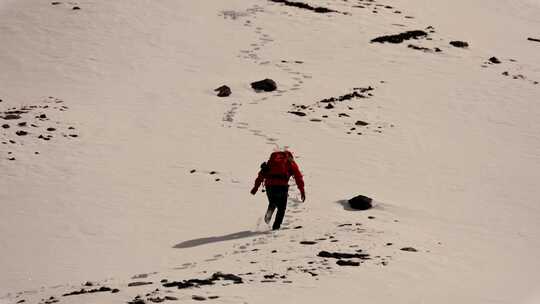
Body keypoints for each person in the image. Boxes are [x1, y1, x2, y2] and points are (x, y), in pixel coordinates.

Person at [250, 150, 306, 230]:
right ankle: (276, 227)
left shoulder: (271, 162)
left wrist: (255, 188)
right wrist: (302, 190)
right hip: (282, 186)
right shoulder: (290, 163)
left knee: (273, 202)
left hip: (269, 186)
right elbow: (298, 177)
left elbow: (261, 174)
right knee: (281, 208)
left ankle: (269, 214)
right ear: (290, 157)